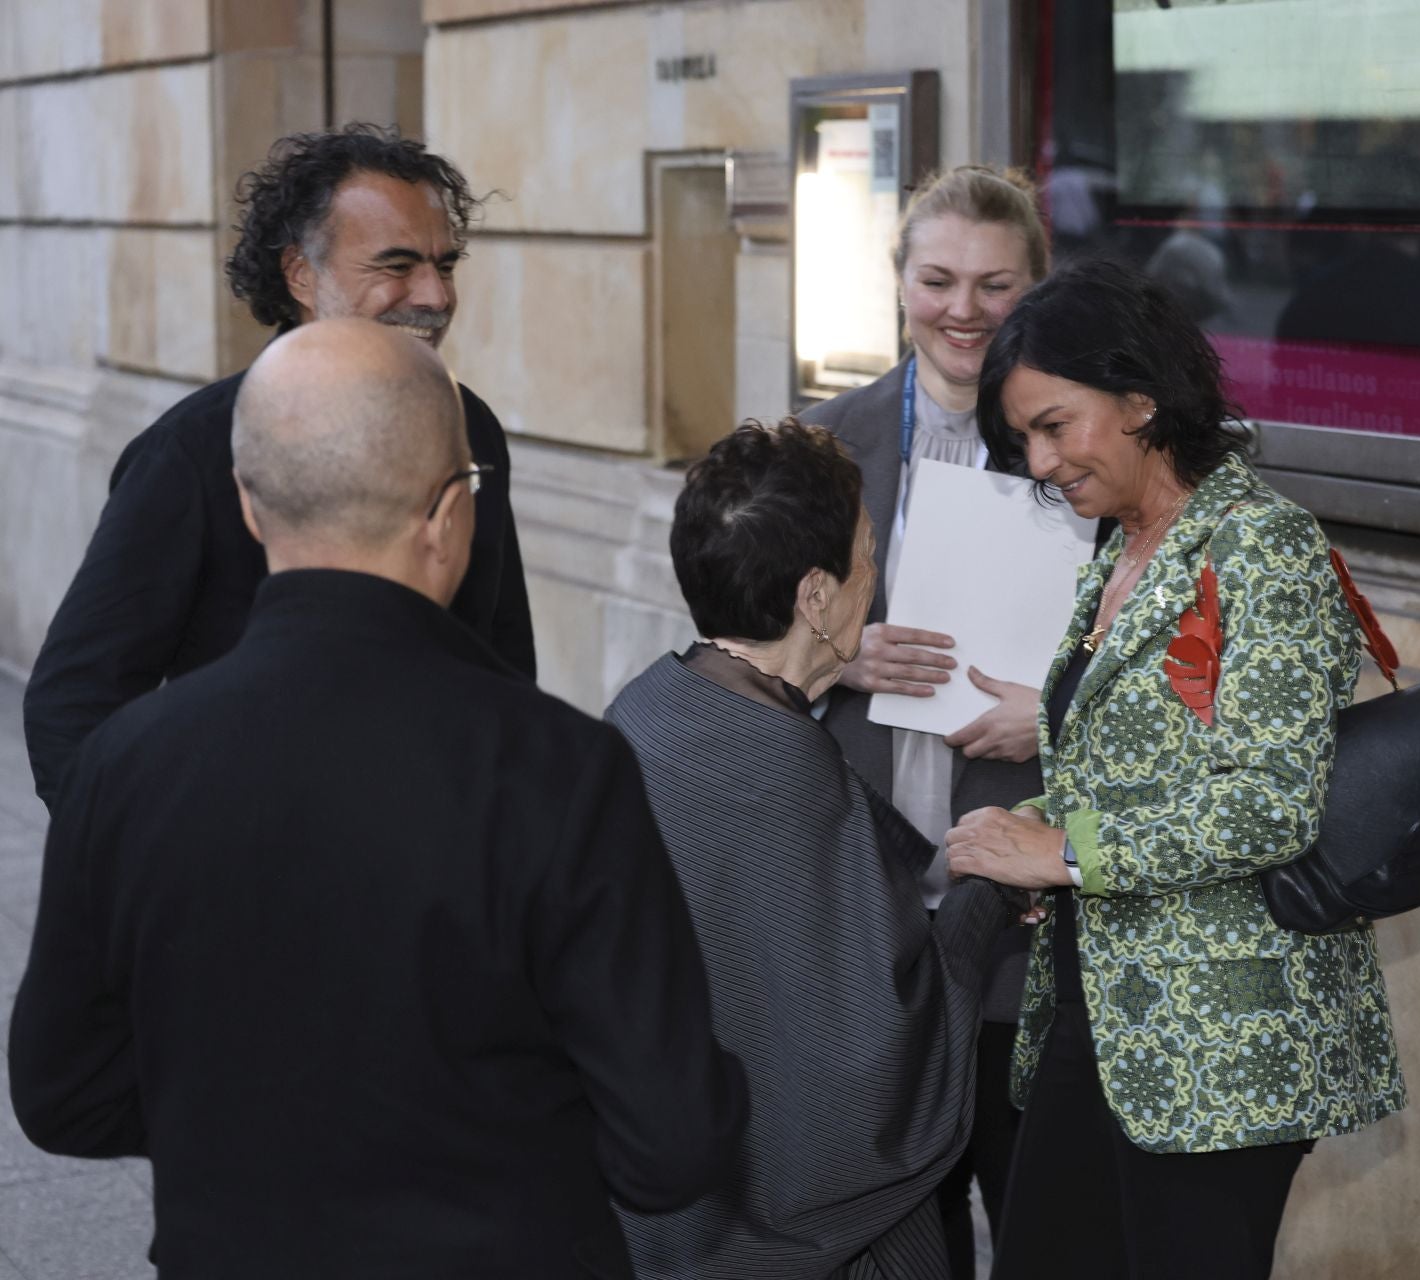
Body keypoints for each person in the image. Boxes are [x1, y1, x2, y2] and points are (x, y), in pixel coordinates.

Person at [8, 319, 746, 1279]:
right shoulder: (560, 769)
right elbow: (674, 1142)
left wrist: (250, 1129)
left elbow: (62, 1093)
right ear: (446, 516)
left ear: (249, 505)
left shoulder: (123, 764)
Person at [948, 258, 1405, 1280]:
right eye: (1023, 437)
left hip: (1222, 1052)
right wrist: (1024, 833)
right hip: (1098, 1017)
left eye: (1055, 424)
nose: (1038, 460)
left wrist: (1064, 851)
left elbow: (1274, 800)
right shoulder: (1120, 544)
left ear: (1142, 398)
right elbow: (1132, 763)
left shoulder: (1264, 546)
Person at [605, 420, 1019, 1279]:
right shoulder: (788, 773)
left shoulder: (641, 712)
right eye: (869, 554)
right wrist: (987, 886)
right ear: (817, 596)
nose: (879, 580)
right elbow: (883, 1068)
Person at [23, 123, 536, 812]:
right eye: (396, 264)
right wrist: (157, 875)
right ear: (301, 273)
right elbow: (75, 703)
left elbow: (502, 658)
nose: (436, 296)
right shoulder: (193, 451)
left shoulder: (472, 429)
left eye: (444, 266)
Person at [799, 164, 1050, 1272]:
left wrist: (1059, 716)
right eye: (938, 279)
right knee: (900, 1224)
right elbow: (738, 643)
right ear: (898, 282)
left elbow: (1147, 670)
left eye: (995, 284)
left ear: (1036, 288)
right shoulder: (819, 445)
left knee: (1033, 1204)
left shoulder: (1076, 449)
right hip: (865, 898)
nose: (963, 310)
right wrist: (838, 656)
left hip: (1016, 914)